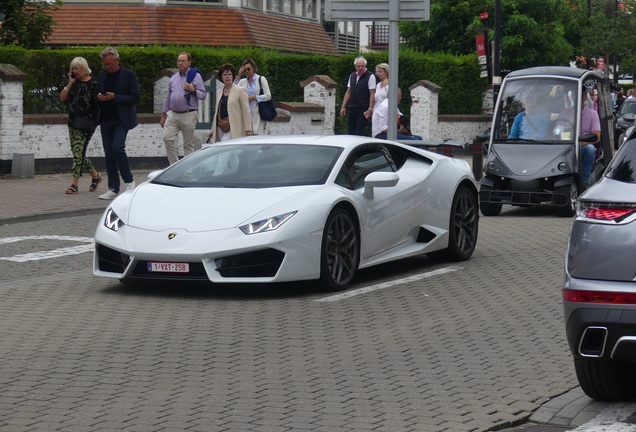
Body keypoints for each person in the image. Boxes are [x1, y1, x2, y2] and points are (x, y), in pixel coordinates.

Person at [96, 47, 140, 200]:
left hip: (122, 119)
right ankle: (113, 188)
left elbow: (135, 97)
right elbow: (96, 93)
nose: (107, 67)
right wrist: (99, 97)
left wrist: (115, 97)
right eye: (105, 64)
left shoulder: (128, 75)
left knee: (117, 148)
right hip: (105, 119)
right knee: (109, 154)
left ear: (117, 60)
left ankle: (129, 181)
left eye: (110, 64)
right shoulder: (101, 76)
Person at [59, 56, 102, 195]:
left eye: (76, 68)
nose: (74, 71)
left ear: (84, 68)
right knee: (78, 153)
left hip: (87, 123)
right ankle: (95, 176)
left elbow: (99, 104)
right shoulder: (74, 84)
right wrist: (70, 83)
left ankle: (74, 184)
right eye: (72, 68)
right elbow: (62, 98)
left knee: (78, 153)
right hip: (73, 122)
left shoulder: (95, 83)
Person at [160, 52, 207, 166]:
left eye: (183, 61)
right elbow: (168, 96)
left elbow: (203, 95)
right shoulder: (174, 77)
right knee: (167, 138)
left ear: (189, 62)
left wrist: (193, 90)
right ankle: (174, 166)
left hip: (188, 113)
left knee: (188, 144)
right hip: (173, 114)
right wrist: (164, 114)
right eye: (179, 61)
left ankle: (187, 169)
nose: (180, 63)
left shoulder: (195, 76)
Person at [559, 88, 601, 186]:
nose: (577, 97)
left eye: (580, 95)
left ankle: (584, 180)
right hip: (566, 144)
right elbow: (557, 129)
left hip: (583, 144)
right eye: (575, 94)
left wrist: (581, 143)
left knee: (590, 149)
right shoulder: (565, 112)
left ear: (585, 96)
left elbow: (597, 136)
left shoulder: (593, 114)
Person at [208, 64, 252, 143]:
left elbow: (246, 110)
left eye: (229, 74)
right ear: (221, 77)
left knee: (225, 148)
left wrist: (248, 129)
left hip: (234, 126)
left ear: (233, 76)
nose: (227, 77)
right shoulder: (219, 92)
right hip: (220, 127)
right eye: (225, 75)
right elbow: (216, 112)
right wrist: (213, 129)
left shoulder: (240, 90)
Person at [339, 56, 376, 136]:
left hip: (363, 107)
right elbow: (348, 91)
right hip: (353, 106)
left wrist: (370, 108)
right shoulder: (352, 75)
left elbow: (372, 93)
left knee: (359, 130)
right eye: (358, 66)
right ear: (355, 66)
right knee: (351, 130)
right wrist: (343, 107)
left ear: (365, 66)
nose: (360, 68)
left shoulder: (370, 76)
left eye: (362, 66)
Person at [235, 58, 271, 135]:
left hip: (257, 113)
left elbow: (268, 96)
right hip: (245, 114)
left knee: (257, 137)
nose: (247, 71)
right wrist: (239, 75)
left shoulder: (261, 79)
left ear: (253, 68)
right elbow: (233, 92)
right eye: (245, 70)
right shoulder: (242, 81)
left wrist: (254, 97)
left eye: (249, 69)